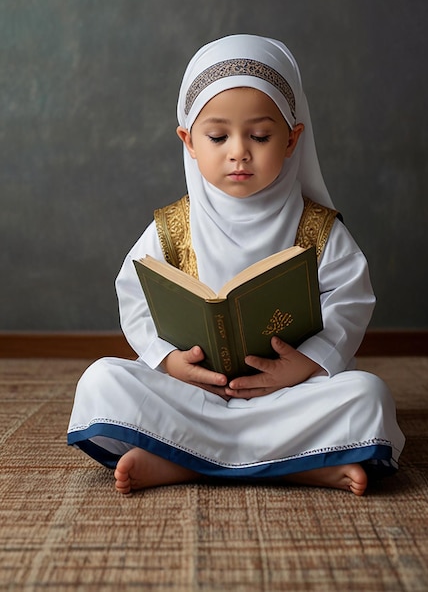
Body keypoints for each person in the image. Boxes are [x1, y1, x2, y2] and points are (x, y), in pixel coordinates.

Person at [67, 34, 405, 496]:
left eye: (261, 135)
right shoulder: (173, 225)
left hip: (285, 394)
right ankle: (297, 466)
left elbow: (350, 301)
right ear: (188, 140)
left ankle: (182, 461)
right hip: (195, 392)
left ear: (292, 139)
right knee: (102, 380)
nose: (239, 151)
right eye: (218, 135)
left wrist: (304, 365)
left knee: (368, 396)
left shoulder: (317, 228)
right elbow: (135, 294)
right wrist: (170, 363)